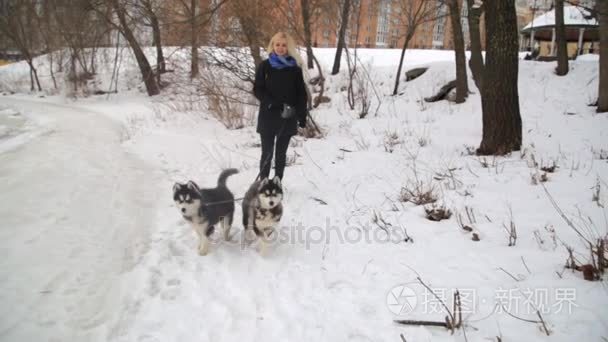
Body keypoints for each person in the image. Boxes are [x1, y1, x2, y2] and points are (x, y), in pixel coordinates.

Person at [253, 31, 308, 181]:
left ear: (288, 47)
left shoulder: (295, 68)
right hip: (268, 114)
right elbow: (257, 89)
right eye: (277, 44)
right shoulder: (265, 66)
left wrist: (302, 115)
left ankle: (277, 183)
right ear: (272, 46)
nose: (280, 48)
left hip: (287, 116)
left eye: (284, 45)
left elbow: (301, 94)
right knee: (267, 153)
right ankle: (264, 183)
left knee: (280, 153)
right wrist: (272, 102)